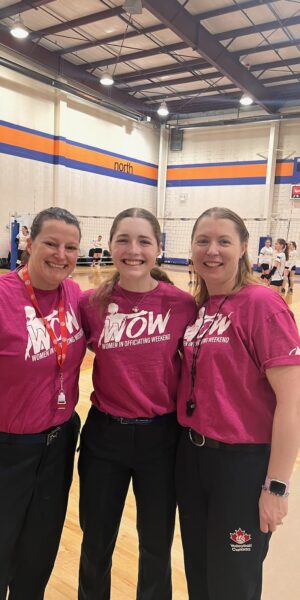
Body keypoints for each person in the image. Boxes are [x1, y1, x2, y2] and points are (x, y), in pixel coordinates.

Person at [175, 207, 300, 600]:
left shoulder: (263, 304)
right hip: (193, 461)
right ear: (192, 248)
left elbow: (292, 401)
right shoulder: (201, 306)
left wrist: (276, 487)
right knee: (199, 574)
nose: (212, 250)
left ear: (244, 248)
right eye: (203, 241)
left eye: (224, 241)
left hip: (242, 467)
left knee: (233, 584)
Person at [78, 207, 196, 600]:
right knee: (95, 544)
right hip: (104, 437)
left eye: (144, 241)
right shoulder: (91, 303)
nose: (133, 250)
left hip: (161, 439)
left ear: (159, 249)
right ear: (110, 245)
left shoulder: (181, 305)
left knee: (156, 546)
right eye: (123, 240)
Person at [0, 207, 86, 600]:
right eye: (51, 243)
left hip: (59, 442)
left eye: (70, 247)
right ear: (29, 243)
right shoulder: (4, 297)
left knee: (40, 548)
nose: (61, 254)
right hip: (8, 447)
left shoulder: (74, 293)